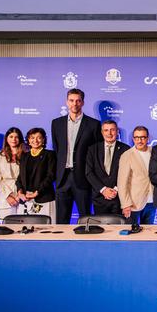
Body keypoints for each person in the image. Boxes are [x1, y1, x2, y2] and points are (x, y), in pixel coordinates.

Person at [51, 88, 102, 224]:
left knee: (86, 219)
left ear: (83, 102)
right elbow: (57, 149)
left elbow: (96, 154)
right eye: (71, 100)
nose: (75, 104)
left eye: (78, 101)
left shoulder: (93, 124)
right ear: (67, 102)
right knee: (61, 221)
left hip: (83, 178)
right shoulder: (56, 123)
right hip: (62, 179)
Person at [85, 120, 130, 216]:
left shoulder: (126, 149)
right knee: (101, 225)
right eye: (106, 130)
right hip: (100, 198)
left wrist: (116, 190)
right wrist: (103, 189)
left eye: (112, 130)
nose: (109, 133)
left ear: (117, 131)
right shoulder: (93, 149)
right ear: (102, 132)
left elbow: (128, 173)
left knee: (119, 225)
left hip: (119, 198)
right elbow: (89, 172)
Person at [118, 126, 157, 225]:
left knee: (149, 231)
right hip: (134, 203)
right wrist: (125, 204)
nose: (139, 140)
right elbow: (122, 183)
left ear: (148, 138)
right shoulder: (127, 155)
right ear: (133, 139)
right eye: (136, 137)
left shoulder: (155, 152)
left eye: (143, 137)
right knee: (132, 231)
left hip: (152, 201)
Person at [16, 128, 56, 222]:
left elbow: (50, 176)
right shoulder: (24, 156)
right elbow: (20, 177)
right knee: (25, 227)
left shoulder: (50, 155)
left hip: (44, 198)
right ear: (28, 140)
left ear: (43, 140)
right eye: (32, 138)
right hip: (26, 199)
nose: (35, 140)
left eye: (39, 137)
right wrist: (20, 192)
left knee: (45, 228)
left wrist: (37, 192)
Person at [0, 127, 24, 221]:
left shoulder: (26, 154)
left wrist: (19, 195)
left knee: (24, 226)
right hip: (5, 196)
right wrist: (8, 196)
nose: (14, 139)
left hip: (23, 195)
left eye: (16, 137)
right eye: (11, 137)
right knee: (6, 226)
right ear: (6, 139)